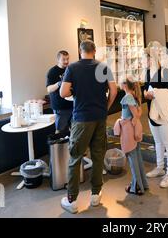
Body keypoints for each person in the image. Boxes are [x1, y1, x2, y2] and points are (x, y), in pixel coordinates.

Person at [59, 40, 117, 214]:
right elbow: (113, 91)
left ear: (80, 51)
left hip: (82, 118)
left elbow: (63, 93)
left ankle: (72, 200)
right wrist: (105, 107)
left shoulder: (73, 68)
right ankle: (95, 195)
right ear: (95, 51)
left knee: (76, 158)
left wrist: (75, 91)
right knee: (98, 155)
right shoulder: (103, 67)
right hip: (99, 117)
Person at [144, 41, 168, 188]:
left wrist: (155, 93)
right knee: (157, 142)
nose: (145, 60)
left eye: (147, 57)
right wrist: (146, 94)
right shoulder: (147, 72)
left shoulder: (165, 72)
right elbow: (145, 90)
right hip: (152, 111)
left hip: (165, 113)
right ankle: (159, 167)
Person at [114, 76, 148, 195]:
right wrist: (135, 120)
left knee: (133, 158)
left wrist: (132, 120)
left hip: (129, 129)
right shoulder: (134, 96)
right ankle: (142, 183)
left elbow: (136, 113)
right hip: (133, 128)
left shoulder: (127, 97)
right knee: (137, 156)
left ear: (124, 85)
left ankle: (137, 186)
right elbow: (139, 112)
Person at [46, 50, 74, 133]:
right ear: (58, 60)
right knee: (60, 132)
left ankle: (71, 146)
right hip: (60, 107)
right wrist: (59, 84)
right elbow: (49, 89)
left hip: (72, 105)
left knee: (74, 130)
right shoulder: (52, 72)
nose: (66, 61)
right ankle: (59, 146)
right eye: (64, 59)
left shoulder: (70, 70)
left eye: (67, 59)